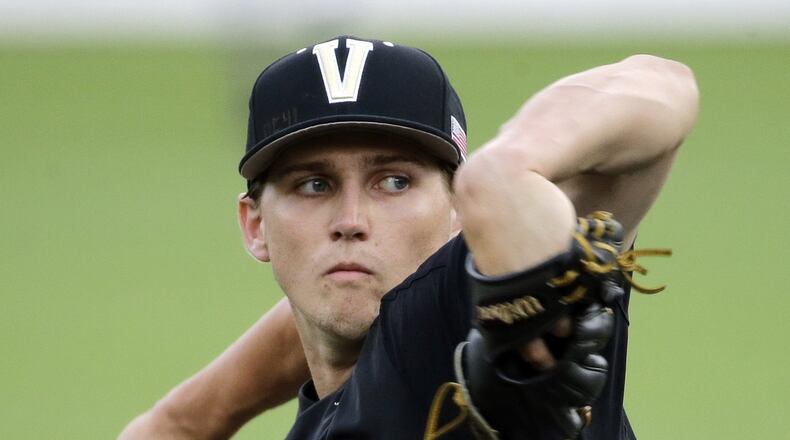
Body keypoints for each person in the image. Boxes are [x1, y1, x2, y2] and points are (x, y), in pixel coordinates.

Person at [120, 35, 698, 439]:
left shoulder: (462, 305)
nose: (351, 219)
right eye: (314, 185)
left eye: (394, 182)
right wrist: (188, 420)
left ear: (455, 213)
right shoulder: (329, 399)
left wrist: (507, 171)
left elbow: (663, 89)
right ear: (255, 225)